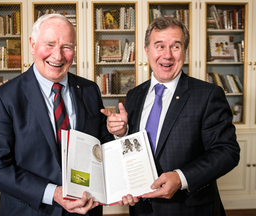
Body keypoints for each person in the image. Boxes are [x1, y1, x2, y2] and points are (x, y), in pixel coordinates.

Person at [101, 17, 240, 216]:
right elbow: (132, 149)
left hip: (190, 209)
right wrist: (121, 134)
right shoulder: (134, 96)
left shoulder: (208, 94)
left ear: (184, 51)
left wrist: (181, 178)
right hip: (142, 209)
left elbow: (227, 152)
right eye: (159, 46)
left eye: (175, 46)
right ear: (147, 51)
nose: (167, 55)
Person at [0, 14, 113, 216]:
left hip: (85, 210)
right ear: (32, 44)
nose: (58, 56)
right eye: (49, 44)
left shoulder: (90, 90)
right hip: (30, 211)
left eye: (67, 47)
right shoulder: (5, 97)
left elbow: (102, 145)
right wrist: (53, 193)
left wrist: (120, 133)